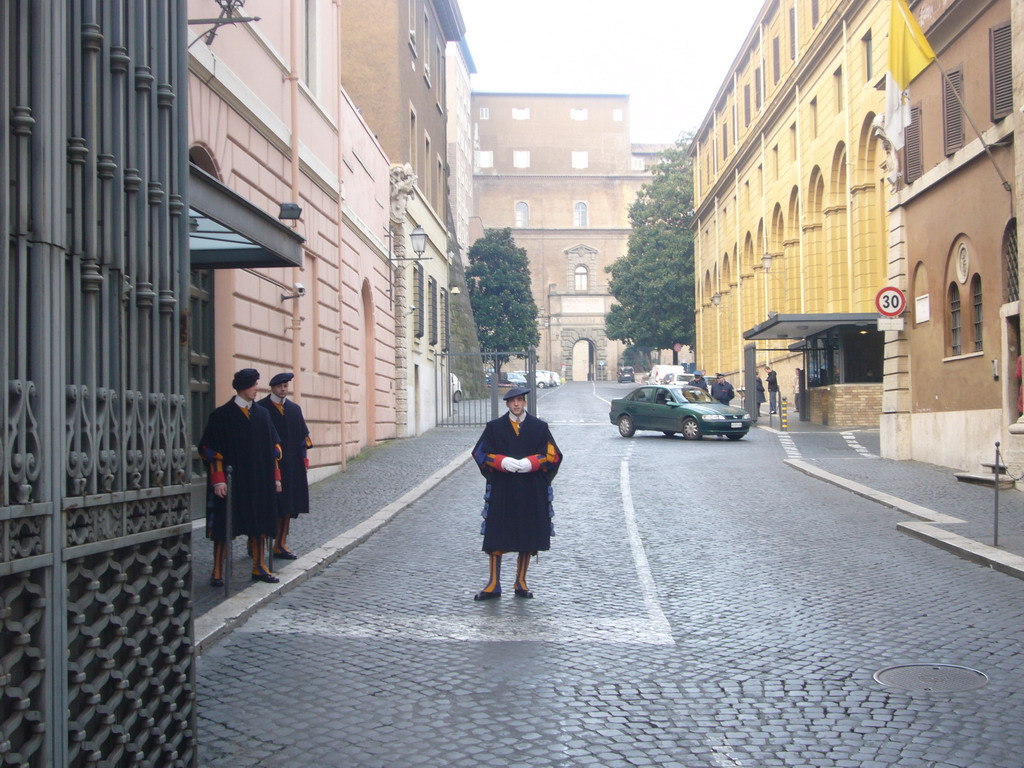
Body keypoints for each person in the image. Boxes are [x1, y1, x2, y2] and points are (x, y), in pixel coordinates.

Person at [471, 387, 562, 600]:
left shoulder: (540, 427)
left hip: (531, 489)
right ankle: (493, 584)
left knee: (527, 535)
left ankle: (521, 581)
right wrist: (500, 461)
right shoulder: (494, 428)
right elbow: (479, 452)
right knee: (496, 533)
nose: (516, 405)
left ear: (525, 403)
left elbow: (554, 455)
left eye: (520, 400)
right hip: (503, 488)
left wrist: (533, 462)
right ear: (507, 404)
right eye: (513, 401)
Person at [200, 368, 283, 586]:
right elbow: (210, 449)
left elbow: (273, 450)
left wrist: (276, 477)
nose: (257, 388)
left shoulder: (263, 415)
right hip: (231, 482)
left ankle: (259, 566)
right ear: (244, 386)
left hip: (259, 481)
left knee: (260, 524)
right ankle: (218, 569)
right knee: (224, 526)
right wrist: (218, 478)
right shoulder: (221, 415)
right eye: (255, 384)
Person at [257, 372, 312, 561]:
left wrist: (304, 461)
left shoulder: (294, 409)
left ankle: (280, 544)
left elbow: (303, 439)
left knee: (287, 507)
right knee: (265, 507)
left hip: (292, 467)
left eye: (286, 386)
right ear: (272, 387)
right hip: (268, 467)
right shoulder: (261, 408)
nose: (283, 389)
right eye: (280, 386)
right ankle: (255, 544)